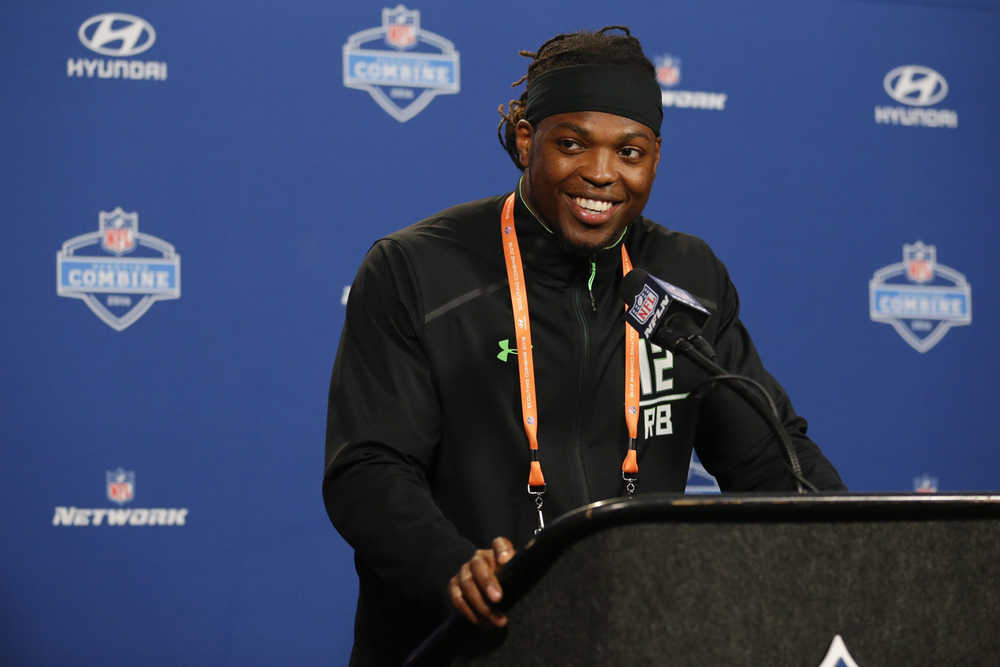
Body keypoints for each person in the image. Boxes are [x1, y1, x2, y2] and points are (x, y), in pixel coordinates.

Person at [323, 26, 845, 666]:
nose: (601, 175)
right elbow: (368, 468)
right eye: (572, 145)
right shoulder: (417, 268)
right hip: (461, 643)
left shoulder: (684, 274)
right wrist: (453, 567)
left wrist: (857, 551)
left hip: (629, 639)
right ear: (525, 139)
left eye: (630, 153)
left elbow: (768, 458)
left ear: (655, 156)